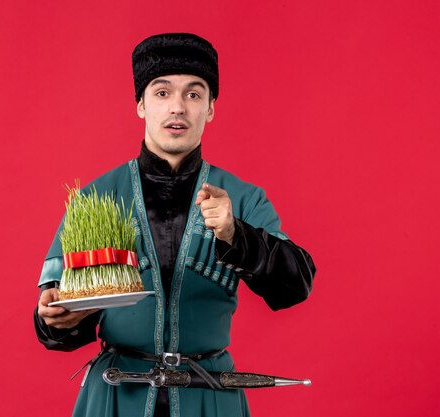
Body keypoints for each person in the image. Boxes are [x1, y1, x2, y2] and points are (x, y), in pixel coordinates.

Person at [34, 33, 316, 417]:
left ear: (211, 108)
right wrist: (58, 320)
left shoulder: (244, 198)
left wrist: (236, 234)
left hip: (211, 395)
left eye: (194, 94)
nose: (178, 108)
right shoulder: (92, 201)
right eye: (162, 93)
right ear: (140, 105)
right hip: (117, 396)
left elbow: (295, 286)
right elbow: (55, 327)